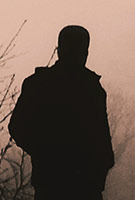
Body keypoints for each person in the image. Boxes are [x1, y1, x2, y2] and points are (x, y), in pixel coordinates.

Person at [9, 25, 114, 200]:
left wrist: (44, 153)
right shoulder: (92, 88)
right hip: (81, 184)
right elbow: (101, 137)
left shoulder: (39, 84)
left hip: (58, 182)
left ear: (59, 50)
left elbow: (17, 127)